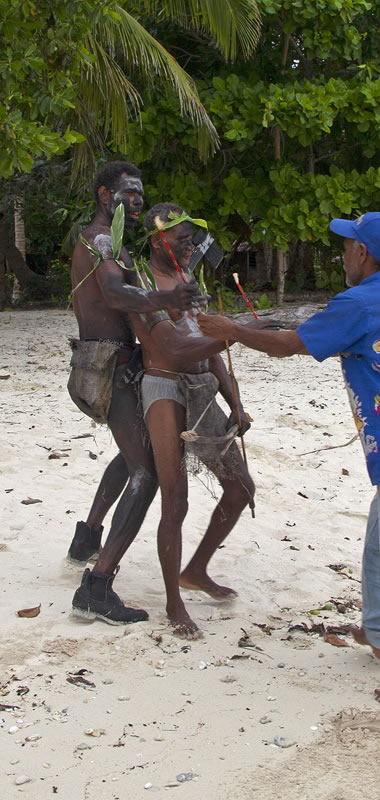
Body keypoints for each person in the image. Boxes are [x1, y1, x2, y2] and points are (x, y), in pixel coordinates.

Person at [198, 212, 380, 712]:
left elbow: (288, 346)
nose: (341, 254)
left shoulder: (359, 301)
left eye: (347, 247)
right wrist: (251, 327)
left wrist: (231, 329)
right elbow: (316, 330)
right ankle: (379, 632)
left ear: (363, 254)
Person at [67, 162, 202, 624]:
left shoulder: (114, 241)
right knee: (146, 475)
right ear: (105, 194)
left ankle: (87, 537)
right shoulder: (103, 240)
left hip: (104, 362)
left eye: (142, 194)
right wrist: (168, 300)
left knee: (129, 456)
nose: (138, 200)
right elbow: (115, 293)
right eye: (129, 193)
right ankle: (97, 586)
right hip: (109, 364)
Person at [128, 202, 259, 638]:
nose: (190, 247)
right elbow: (174, 352)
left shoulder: (189, 279)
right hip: (164, 386)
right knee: (176, 500)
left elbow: (207, 345)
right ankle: (173, 601)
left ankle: (196, 569)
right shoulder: (143, 284)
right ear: (156, 240)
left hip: (201, 388)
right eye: (181, 240)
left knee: (241, 487)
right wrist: (235, 333)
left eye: (191, 239)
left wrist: (234, 400)